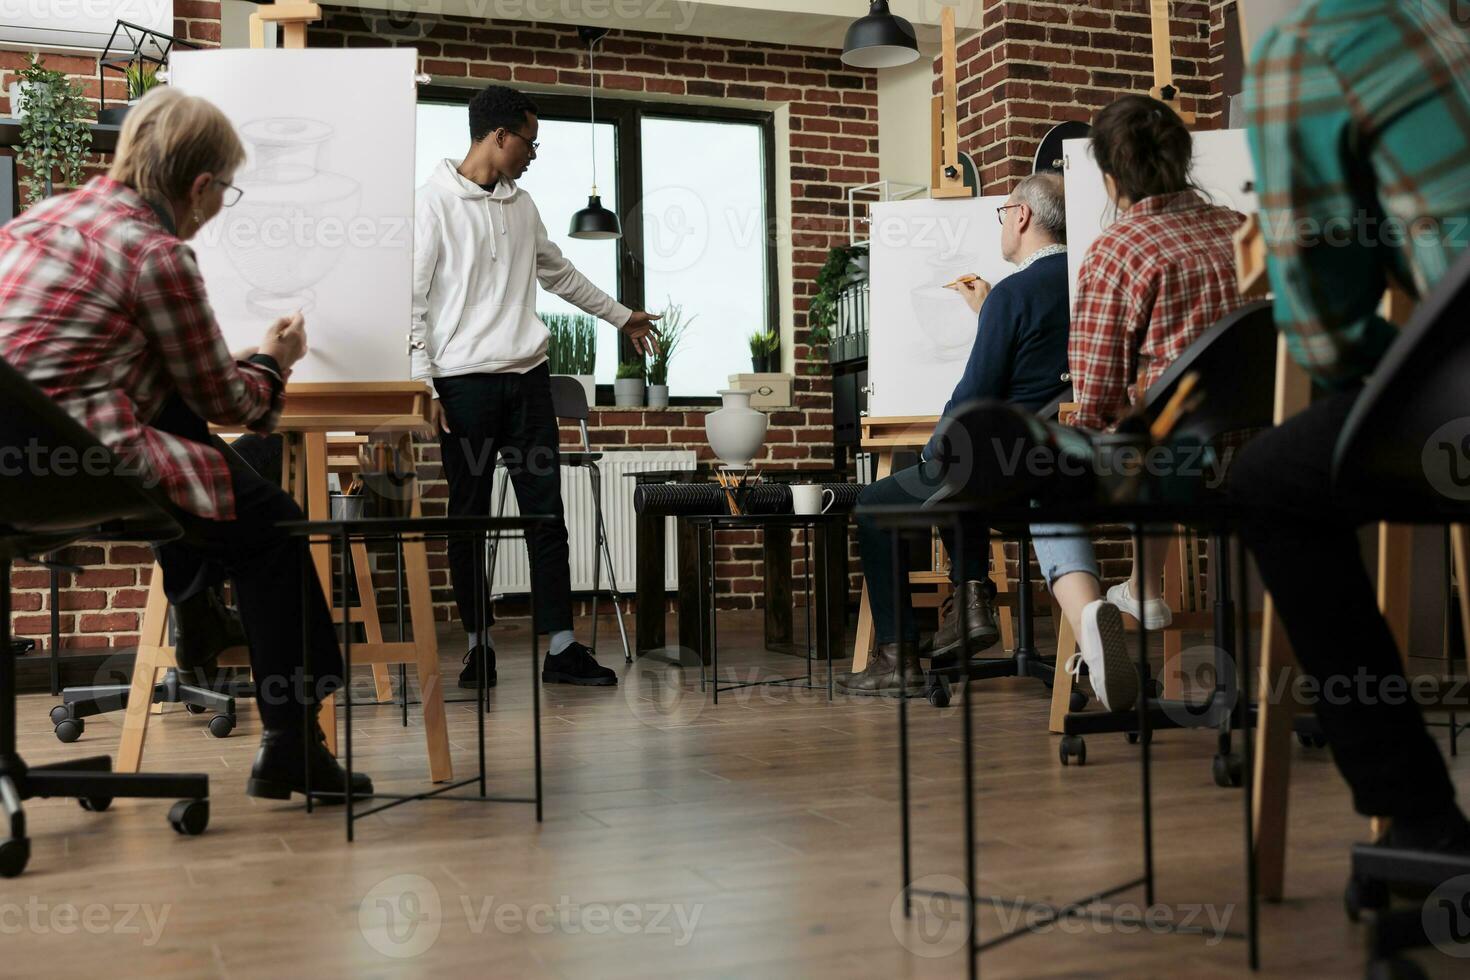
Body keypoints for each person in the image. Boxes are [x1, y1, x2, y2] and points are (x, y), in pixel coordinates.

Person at [0, 88, 368, 802]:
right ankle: (293, 741)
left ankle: (199, 604)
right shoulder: (156, 253)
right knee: (276, 528)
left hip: (12, 460)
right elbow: (230, 403)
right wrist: (274, 359)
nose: (219, 206)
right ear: (200, 186)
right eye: (224, 191)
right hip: (67, 468)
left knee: (182, 428)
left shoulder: (37, 220)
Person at [1232, 0, 1470, 853]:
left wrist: (1396, 356)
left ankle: (1422, 827)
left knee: (1268, 484)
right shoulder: (1444, 23)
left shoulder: (1306, 49)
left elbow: (1325, 333)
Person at [413, 85, 662, 692]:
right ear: (498, 136)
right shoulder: (431, 205)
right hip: (462, 388)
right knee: (469, 520)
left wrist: (620, 314)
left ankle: (561, 648)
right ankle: (478, 648)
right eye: (529, 140)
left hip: (526, 383)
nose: (534, 152)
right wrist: (423, 385)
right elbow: (409, 301)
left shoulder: (522, 207)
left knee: (546, 518)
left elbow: (559, 273)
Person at [1032, 95, 1247, 712]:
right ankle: (1142, 589)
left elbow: (1096, 396)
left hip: (1164, 471)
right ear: (1183, 159)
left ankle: (1091, 616)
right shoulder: (1243, 229)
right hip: (1256, 460)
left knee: (1041, 474)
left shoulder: (1119, 250)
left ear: (1108, 176)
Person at [841, 173, 1072, 696]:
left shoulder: (1013, 295)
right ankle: (969, 602)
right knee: (958, 471)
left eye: (1002, 213)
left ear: (1021, 216)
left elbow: (975, 396)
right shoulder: (1085, 282)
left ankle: (898, 659)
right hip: (1062, 471)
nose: (1002, 224)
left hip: (1002, 479)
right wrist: (987, 312)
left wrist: (932, 445)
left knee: (880, 501)